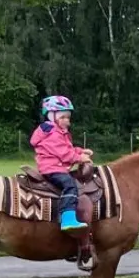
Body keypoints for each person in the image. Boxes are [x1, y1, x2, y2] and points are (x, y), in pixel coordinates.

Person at [30, 95, 93, 232]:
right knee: (70, 185)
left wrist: (81, 151)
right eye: (63, 117)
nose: (66, 121)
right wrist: (80, 158)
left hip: (56, 166)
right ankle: (67, 218)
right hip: (52, 168)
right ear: (52, 117)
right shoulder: (52, 133)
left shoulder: (59, 132)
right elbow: (63, 153)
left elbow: (68, 148)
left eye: (68, 118)